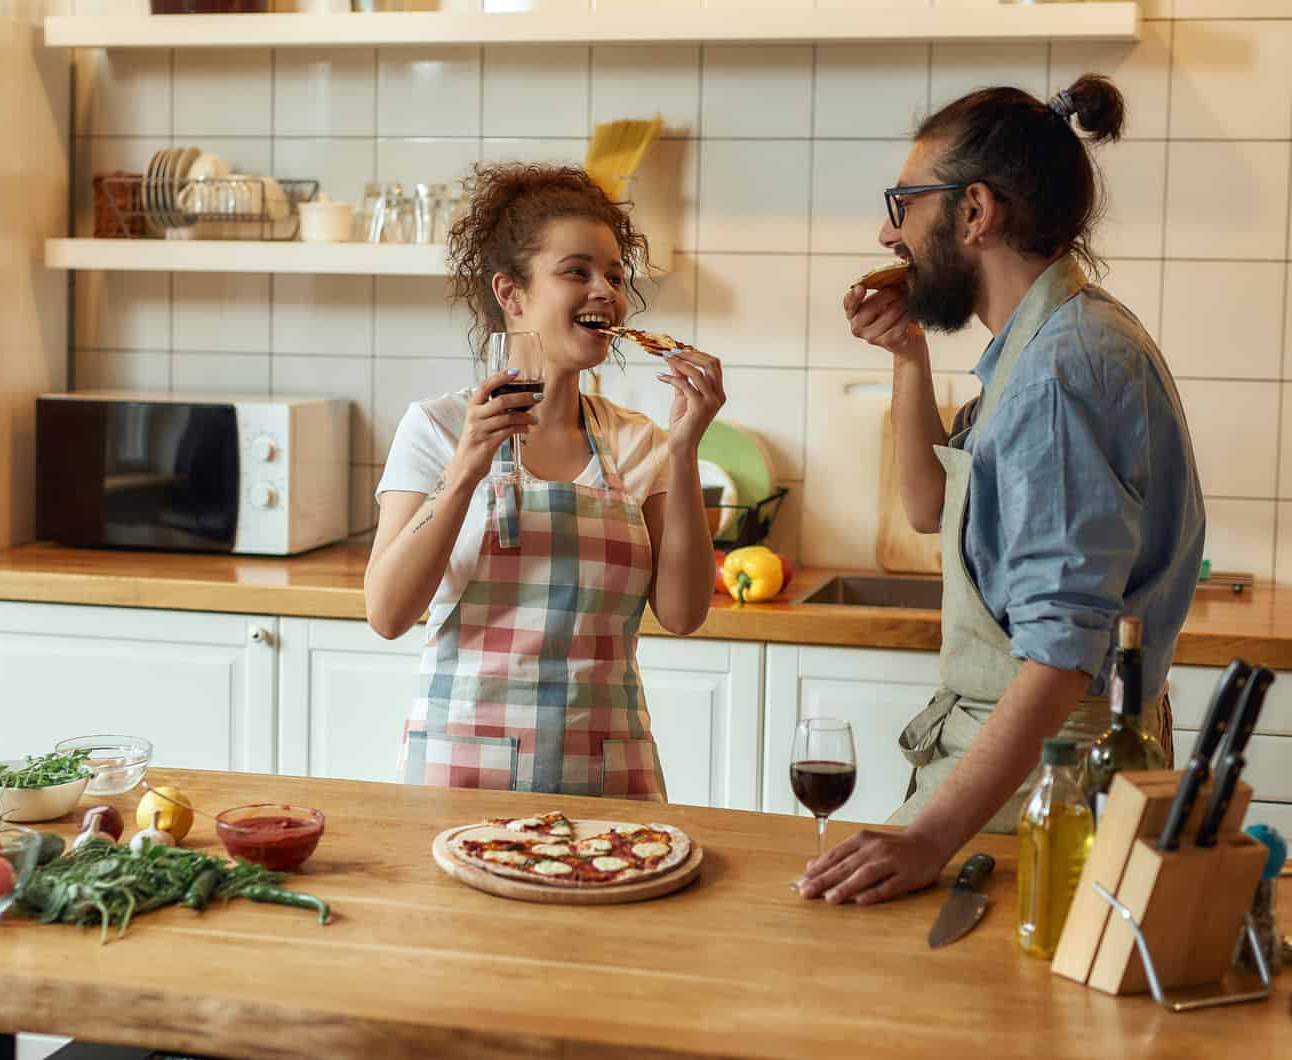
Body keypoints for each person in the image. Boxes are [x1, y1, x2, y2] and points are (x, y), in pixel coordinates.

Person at [801, 75, 1205, 904]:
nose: (888, 230)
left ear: (974, 211)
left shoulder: (1059, 372)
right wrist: (909, 356)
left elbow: (1059, 659)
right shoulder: (1051, 341)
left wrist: (925, 837)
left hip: (1042, 775)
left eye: (904, 202)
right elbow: (925, 508)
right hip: (1029, 763)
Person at [365, 163, 725, 800]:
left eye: (615, 275)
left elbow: (684, 613)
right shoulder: (438, 429)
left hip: (610, 779)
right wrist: (465, 469)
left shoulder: (639, 441)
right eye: (577, 272)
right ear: (512, 295)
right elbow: (388, 612)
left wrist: (686, 448)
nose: (606, 291)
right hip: (461, 779)